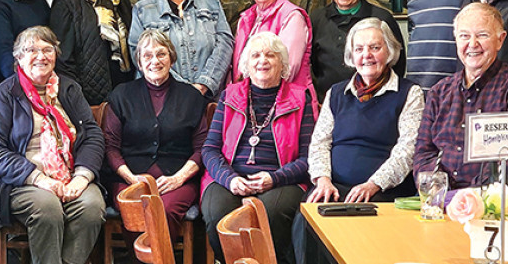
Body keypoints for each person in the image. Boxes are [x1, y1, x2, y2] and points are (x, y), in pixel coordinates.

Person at [293, 18, 423, 264]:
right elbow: (320, 142)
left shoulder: (409, 93)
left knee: (355, 235)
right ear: (351, 55)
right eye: (359, 49)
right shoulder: (336, 93)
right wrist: (322, 180)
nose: (367, 55)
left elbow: (408, 150)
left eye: (375, 47)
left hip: (382, 193)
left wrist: (372, 184)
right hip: (334, 187)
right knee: (306, 221)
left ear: (390, 51)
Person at [0, 26, 106, 264]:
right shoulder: (5, 94)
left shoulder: (69, 89)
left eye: (47, 49)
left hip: (70, 176)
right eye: (31, 50)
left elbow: (92, 134)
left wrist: (82, 176)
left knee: (92, 206)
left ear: (56, 55)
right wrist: (40, 179)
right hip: (23, 183)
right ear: (18, 57)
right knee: (48, 208)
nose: (41, 56)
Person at [201, 32, 315, 264]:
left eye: (270, 55)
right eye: (255, 55)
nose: (262, 60)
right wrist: (230, 178)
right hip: (230, 177)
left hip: (282, 180)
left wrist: (274, 178)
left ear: (282, 64)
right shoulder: (229, 95)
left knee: (271, 212)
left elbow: (308, 157)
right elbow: (210, 149)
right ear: (246, 64)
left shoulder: (300, 98)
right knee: (217, 213)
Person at [104, 29, 207, 262]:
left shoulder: (191, 97)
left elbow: (203, 147)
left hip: (177, 180)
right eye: (147, 55)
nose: (155, 61)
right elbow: (110, 146)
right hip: (129, 178)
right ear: (139, 62)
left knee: (164, 210)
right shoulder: (121, 95)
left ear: (171, 57)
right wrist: (131, 178)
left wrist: (179, 178)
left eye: (161, 54)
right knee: (135, 208)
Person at [414, 2, 508, 190]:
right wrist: (440, 190)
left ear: (500, 40)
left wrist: (473, 195)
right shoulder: (439, 92)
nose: (472, 44)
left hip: (494, 204)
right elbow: (423, 154)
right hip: (441, 200)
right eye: (464, 36)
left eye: (482, 35)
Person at [129, 0, 233, 99]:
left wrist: (205, 84)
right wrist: (183, 90)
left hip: (209, 100)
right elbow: (140, 55)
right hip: (162, 102)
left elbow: (225, 45)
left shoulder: (211, 3)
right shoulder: (143, 10)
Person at [311, 0, 406, 102]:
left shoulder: (382, 19)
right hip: (327, 105)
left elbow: (397, 64)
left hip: (375, 103)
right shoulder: (316, 19)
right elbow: (311, 67)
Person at [232, 0, 318, 112]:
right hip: (250, 105)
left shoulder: (292, 17)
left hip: (286, 108)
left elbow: (287, 70)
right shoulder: (246, 18)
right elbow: (237, 68)